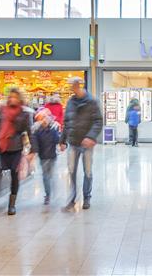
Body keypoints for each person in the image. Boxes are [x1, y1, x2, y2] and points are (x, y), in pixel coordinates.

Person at [61, 77, 103, 211]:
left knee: (88, 171)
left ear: (79, 85)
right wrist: (62, 140)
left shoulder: (92, 102)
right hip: (73, 143)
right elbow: (67, 122)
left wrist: (91, 137)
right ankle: (72, 199)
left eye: (72, 85)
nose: (70, 87)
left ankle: (87, 197)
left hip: (86, 145)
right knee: (71, 171)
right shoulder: (70, 102)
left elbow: (98, 121)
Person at [0, 88, 33, 215]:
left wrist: (32, 149)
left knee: (14, 176)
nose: (12, 99)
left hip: (16, 147)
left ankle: (12, 204)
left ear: (19, 98)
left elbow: (28, 131)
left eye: (15, 97)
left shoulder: (24, 113)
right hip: (2, 146)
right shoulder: (2, 111)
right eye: (10, 97)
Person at [31, 110, 61, 205]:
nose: (44, 120)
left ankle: (51, 190)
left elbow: (57, 140)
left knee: (51, 175)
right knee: (45, 176)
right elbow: (35, 142)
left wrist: (55, 130)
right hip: (43, 157)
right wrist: (34, 153)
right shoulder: (37, 130)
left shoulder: (53, 128)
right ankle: (48, 194)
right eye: (42, 118)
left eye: (46, 117)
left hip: (52, 156)